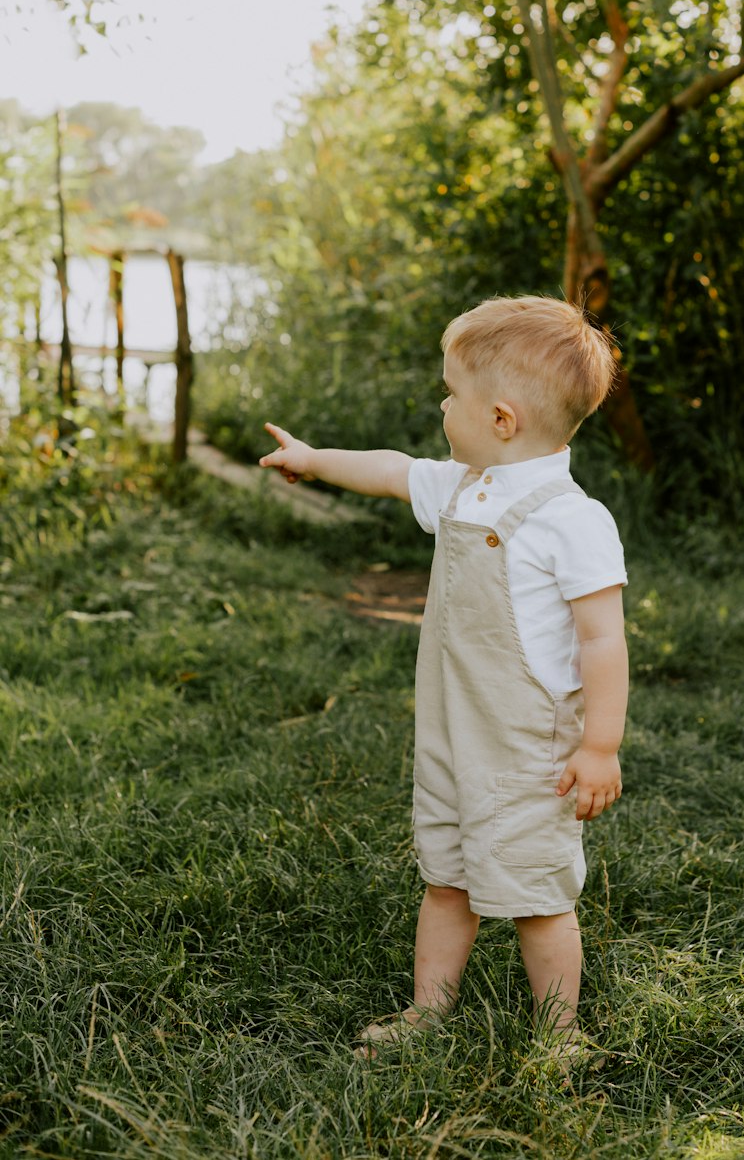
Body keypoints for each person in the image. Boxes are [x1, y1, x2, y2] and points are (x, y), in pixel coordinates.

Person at [259, 295, 628, 1062]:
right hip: (453, 737)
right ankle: (428, 1012)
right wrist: (313, 458)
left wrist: (600, 747)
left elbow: (602, 640)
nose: (440, 404)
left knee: (538, 899)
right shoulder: (468, 485)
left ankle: (561, 1035)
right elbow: (393, 471)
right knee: (446, 877)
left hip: (529, 752)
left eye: (451, 393)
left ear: (500, 418)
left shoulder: (572, 519)